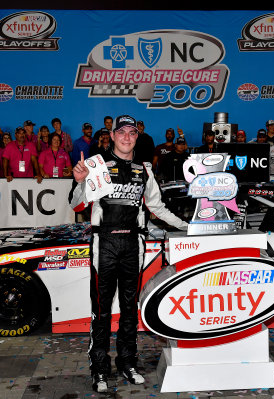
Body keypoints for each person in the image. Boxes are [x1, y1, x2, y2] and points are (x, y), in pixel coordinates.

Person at [69, 114, 187, 392]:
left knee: (129, 310)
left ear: (138, 136)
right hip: (104, 244)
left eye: (131, 133)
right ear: (112, 135)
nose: (126, 137)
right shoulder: (97, 165)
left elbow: (157, 208)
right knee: (101, 311)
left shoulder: (144, 168)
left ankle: (127, 363)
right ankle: (99, 370)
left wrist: (188, 226)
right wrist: (79, 182)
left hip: (133, 245)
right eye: (121, 132)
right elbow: (77, 206)